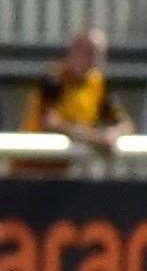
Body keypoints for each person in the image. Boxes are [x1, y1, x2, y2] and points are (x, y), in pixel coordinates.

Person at [16, 27, 131, 174]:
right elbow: (50, 123)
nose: (94, 60)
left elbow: (125, 124)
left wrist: (113, 134)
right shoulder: (54, 79)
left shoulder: (99, 84)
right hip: (31, 165)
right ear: (73, 51)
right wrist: (96, 138)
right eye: (88, 53)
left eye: (99, 55)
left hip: (65, 169)